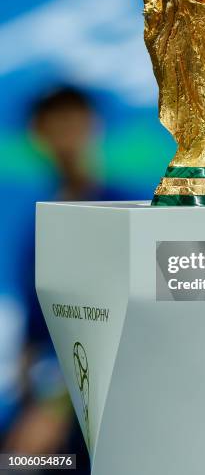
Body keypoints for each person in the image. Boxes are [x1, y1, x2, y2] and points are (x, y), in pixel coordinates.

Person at [2, 85, 139, 473]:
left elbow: (114, 323)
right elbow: (35, 328)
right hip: (43, 403)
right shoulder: (38, 219)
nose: (65, 132)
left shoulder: (120, 208)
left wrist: (54, 408)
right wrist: (29, 397)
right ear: (36, 133)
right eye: (54, 122)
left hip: (100, 408)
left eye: (74, 120)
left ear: (93, 126)